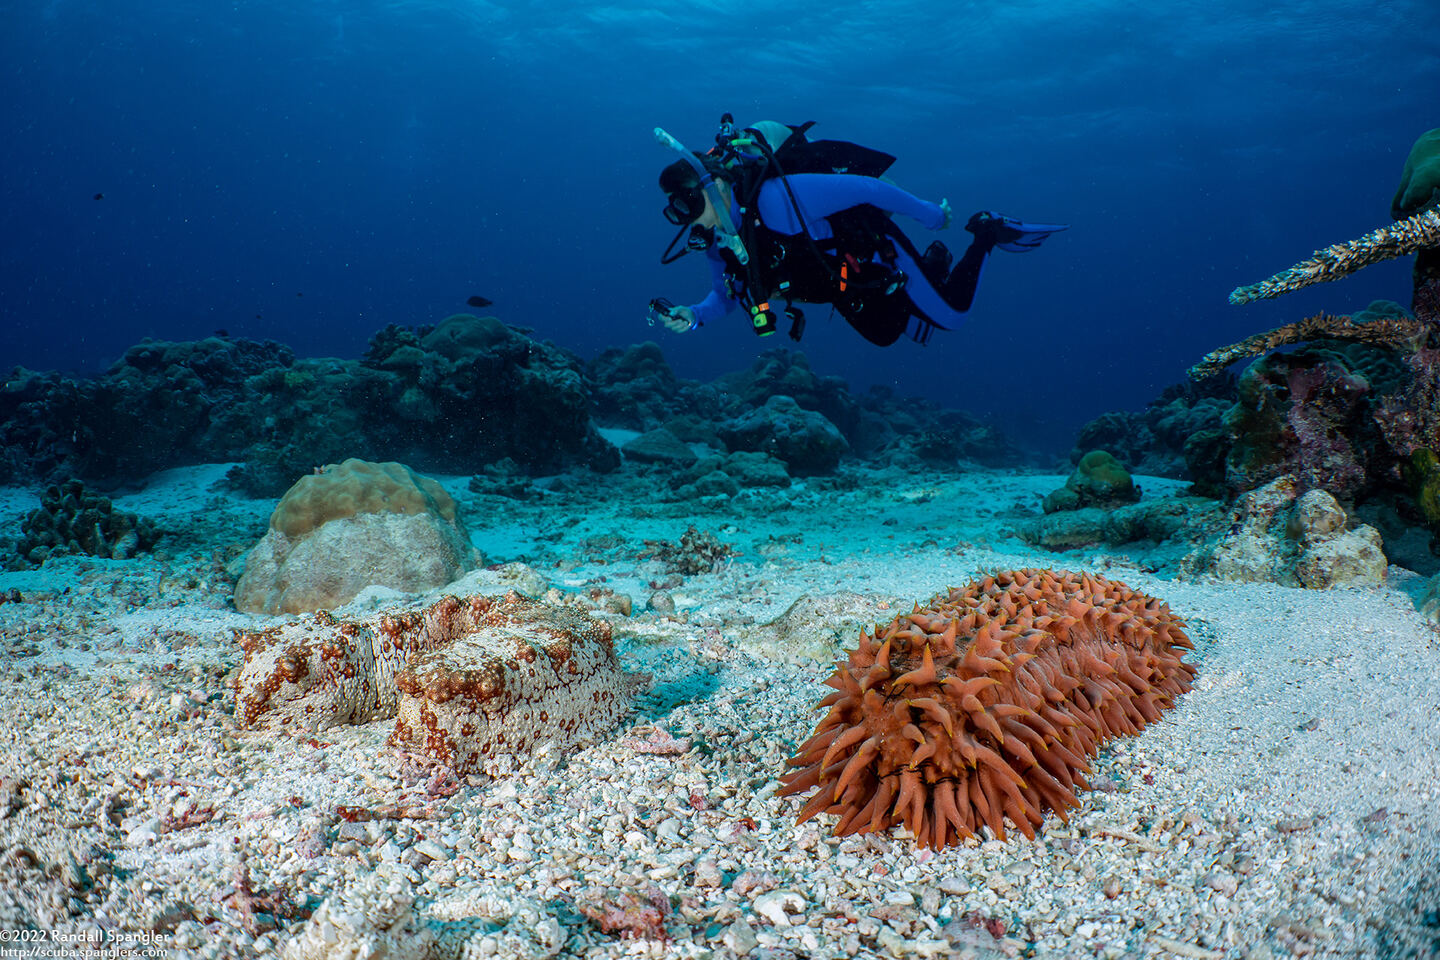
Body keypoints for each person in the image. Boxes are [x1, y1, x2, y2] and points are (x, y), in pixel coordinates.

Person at [650, 117, 1067, 347]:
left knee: (952, 317)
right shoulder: (720, 245)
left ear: (717, 185)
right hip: (845, 284)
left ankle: (986, 232)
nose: (690, 220)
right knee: (887, 334)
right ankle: (933, 268)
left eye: (690, 204)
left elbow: (866, 188)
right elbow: (725, 297)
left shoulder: (777, 199)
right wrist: (695, 315)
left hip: (876, 253)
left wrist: (929, 215)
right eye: (678, 211)